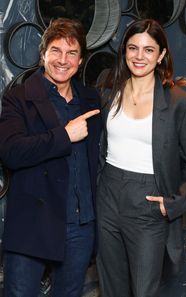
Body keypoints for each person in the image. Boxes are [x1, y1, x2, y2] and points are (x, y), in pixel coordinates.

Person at [96, 19, 186, 297]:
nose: (139, 56)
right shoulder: (109, 91)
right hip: (108, 196)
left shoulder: (180, 102)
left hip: (149, 203)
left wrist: (173, 204)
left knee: (144, 291)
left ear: (161, 55)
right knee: (111, 288)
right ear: (124, 52)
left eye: (148, 50)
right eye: (133, 48)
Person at [0, 18, 101, 297]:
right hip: (33, 223)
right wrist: (64, 136)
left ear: (80, 61)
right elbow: (11, 152)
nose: (62, 60)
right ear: (43, 53)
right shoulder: (18, 97)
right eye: (55, 50)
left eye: (71, 53)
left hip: (80, 226)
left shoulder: (91, 100)